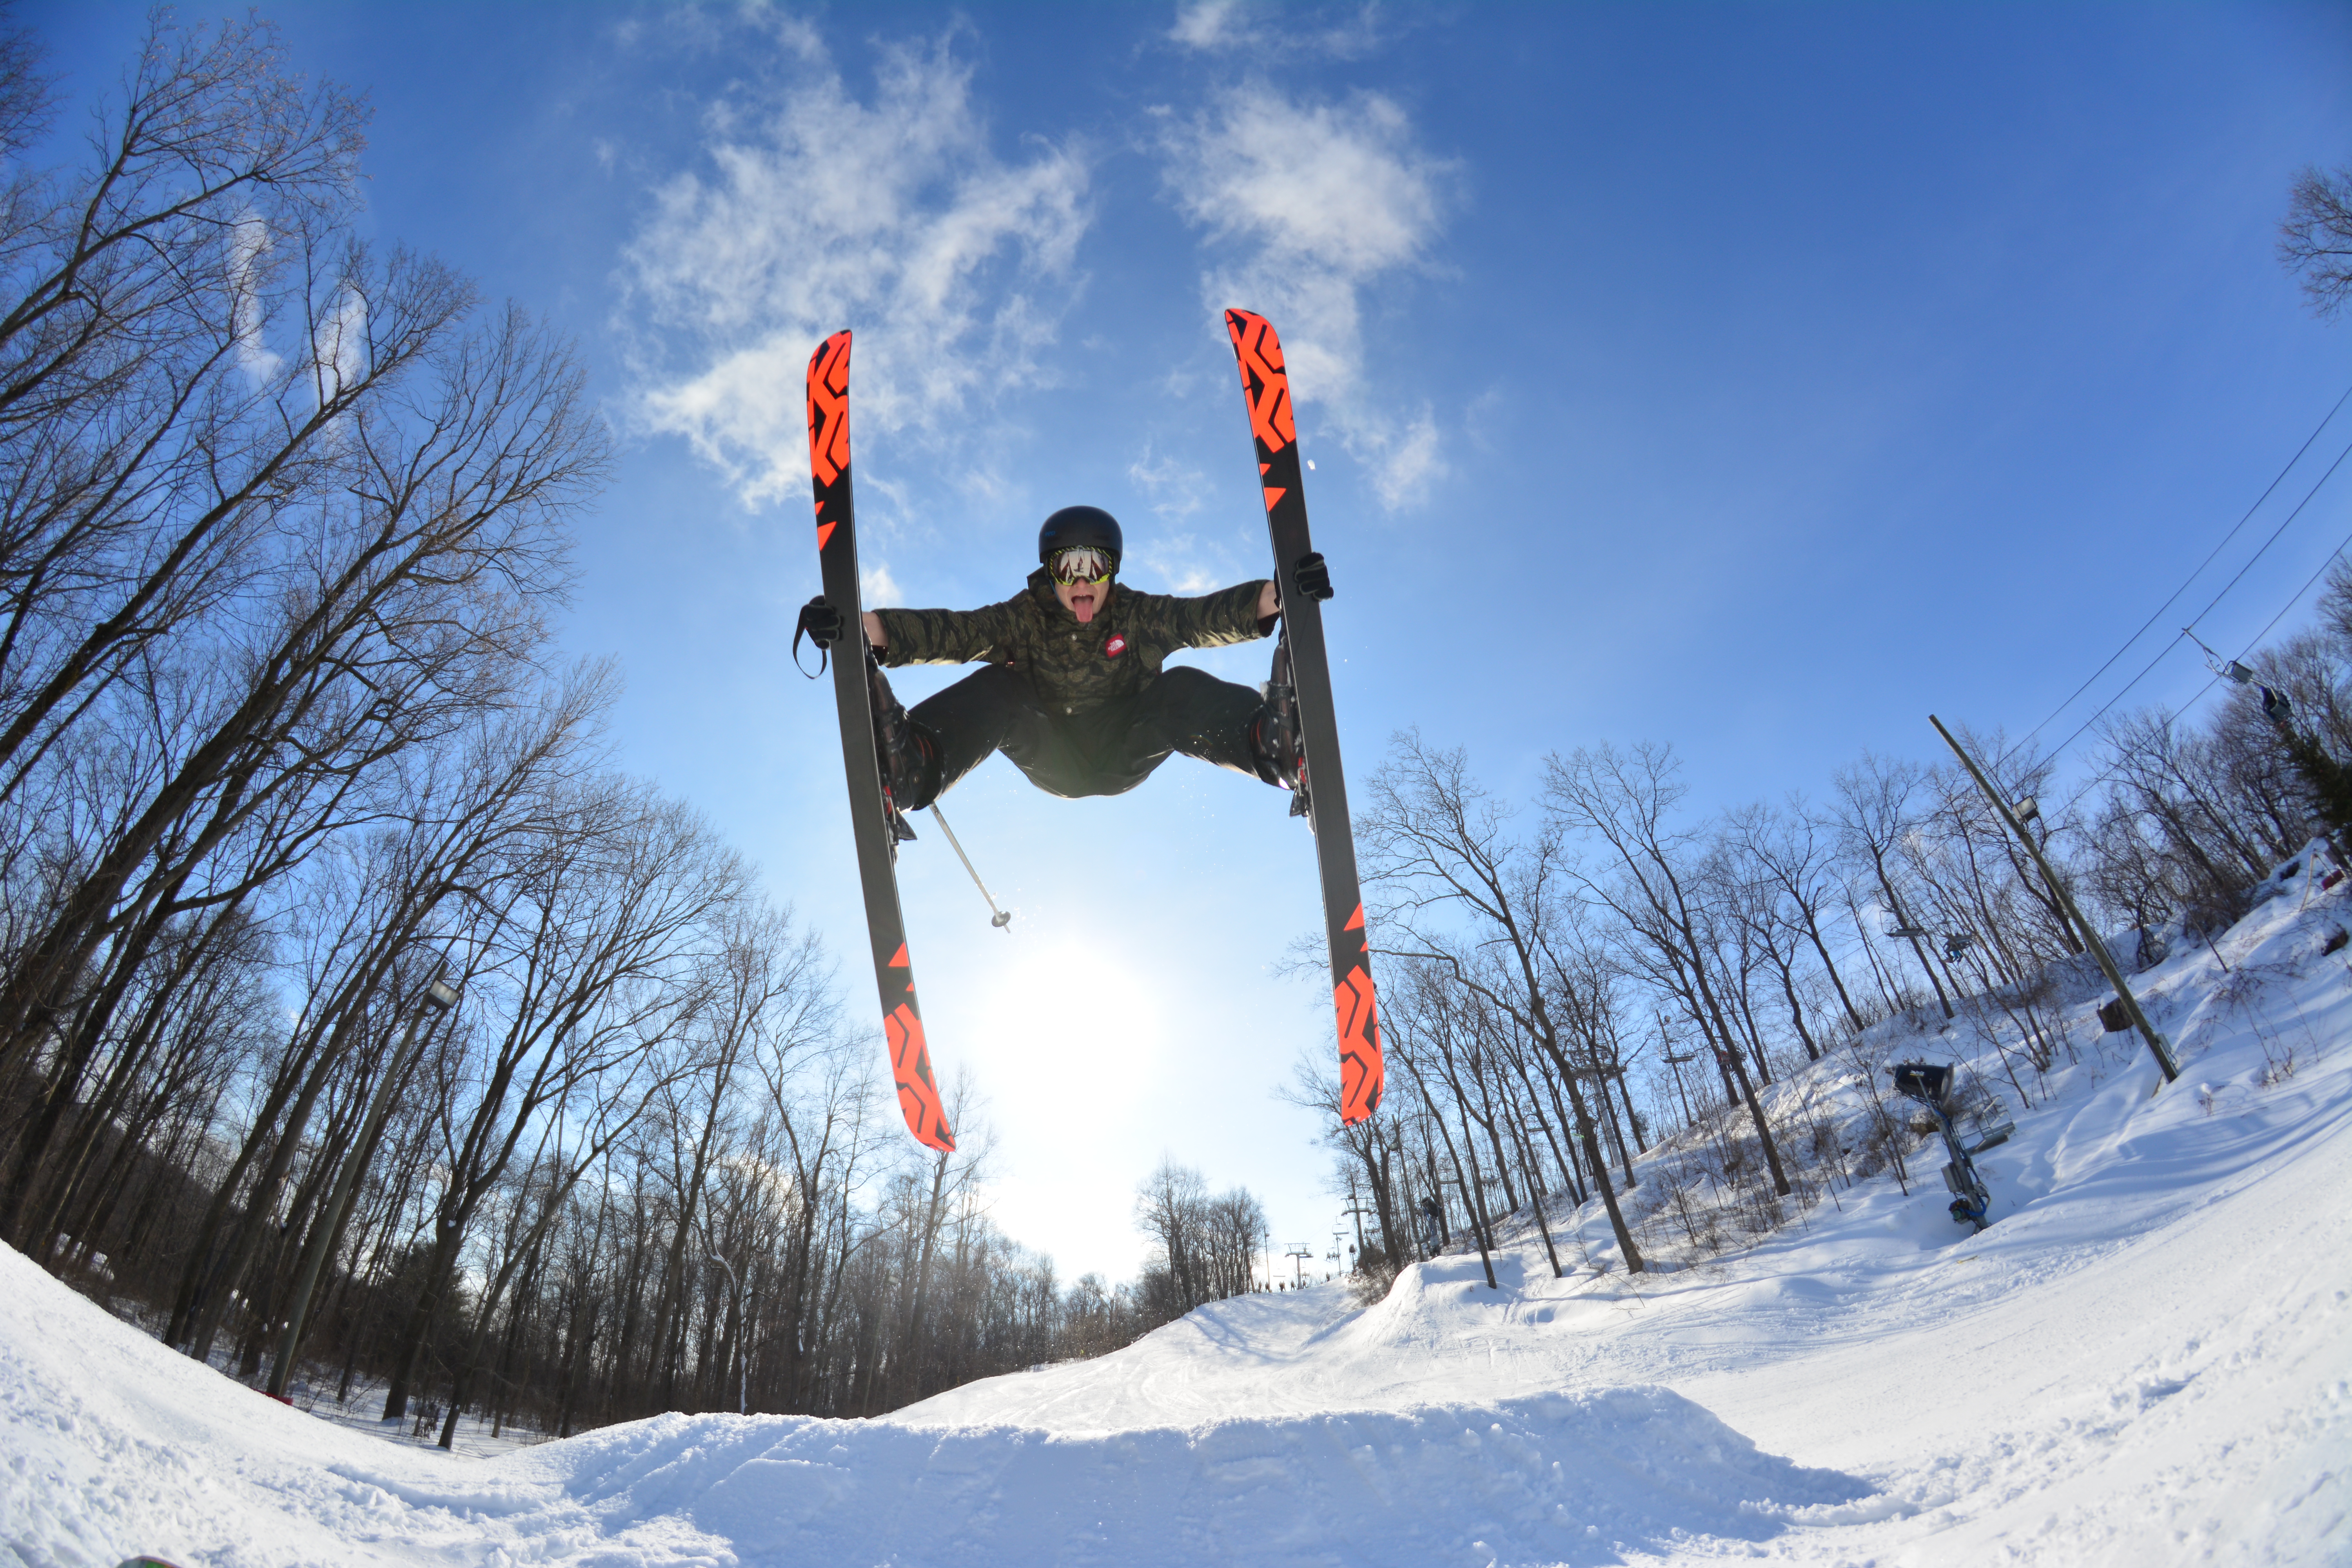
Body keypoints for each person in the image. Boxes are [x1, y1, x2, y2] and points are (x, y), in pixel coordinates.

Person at [801, 505, 1328, 816]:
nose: (1081, 581)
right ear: (1050, 573)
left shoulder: (1139, 616)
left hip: (1126, 743)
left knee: (1181, 686)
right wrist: (860, 628)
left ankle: (1274, 748)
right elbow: (952, 632)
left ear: (1110, 573)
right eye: (1067, 566)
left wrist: (1279, 595)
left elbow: (1201, 616)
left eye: (1093, 566)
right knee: (997, 687)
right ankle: (911, 766)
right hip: (1052, 749)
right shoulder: (1021, 619)